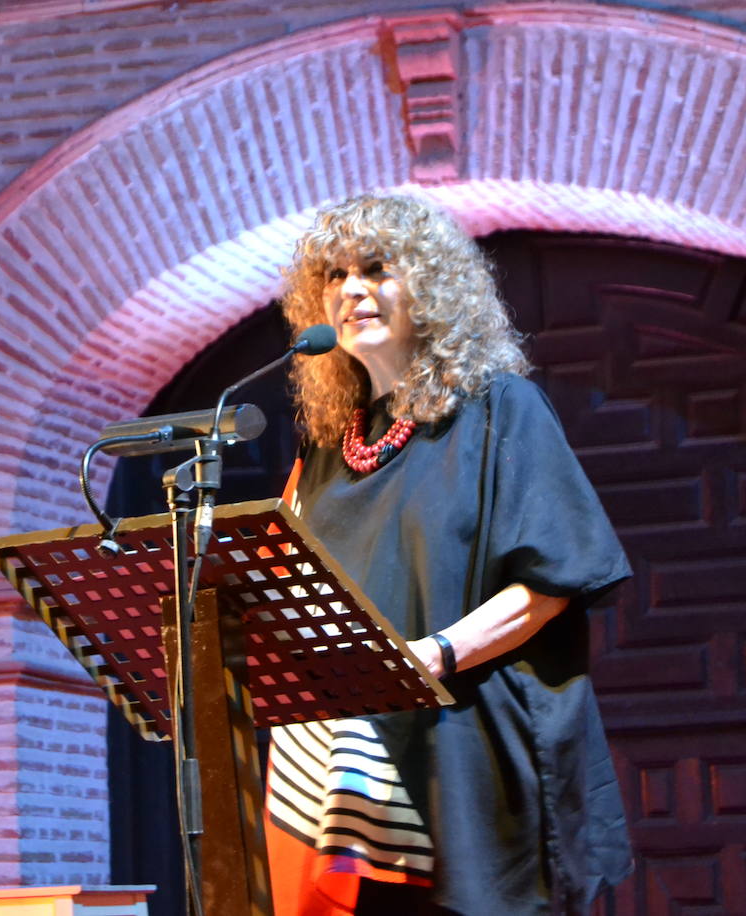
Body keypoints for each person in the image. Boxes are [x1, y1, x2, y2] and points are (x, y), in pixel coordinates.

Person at [264, 195, 633, 916]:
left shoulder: (499, 409)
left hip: (470, 754)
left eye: (376, 270)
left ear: (429, 286)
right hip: (358, 782)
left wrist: (435, 654)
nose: (352, 290)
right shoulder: (326, 452)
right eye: (334, 276)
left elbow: (551, 581)